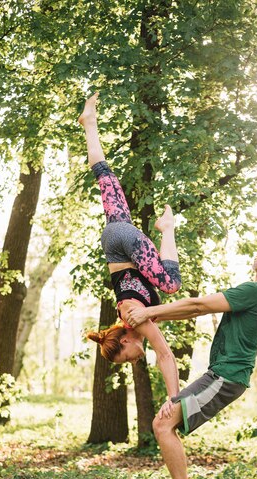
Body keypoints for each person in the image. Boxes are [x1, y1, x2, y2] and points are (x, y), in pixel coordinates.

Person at [125, 236, 257, 479]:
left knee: (163, 424)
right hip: (221, 375)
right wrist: (155, 315)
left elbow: (198, 305)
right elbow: (196, 311)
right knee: (164, 423)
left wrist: (149, 311)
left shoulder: (256, 291)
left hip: (226, 377)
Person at [79, 93, 181, 405]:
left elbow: (164, 355)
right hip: (113, 240)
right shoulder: (132, 315)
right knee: (105, 178)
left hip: (122, 244)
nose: (134, 360)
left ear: (125, 340)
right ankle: (89, 124)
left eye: (126, 357)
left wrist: (174, 397)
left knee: (172, 284)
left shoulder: (136, 319)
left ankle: (167, 228)